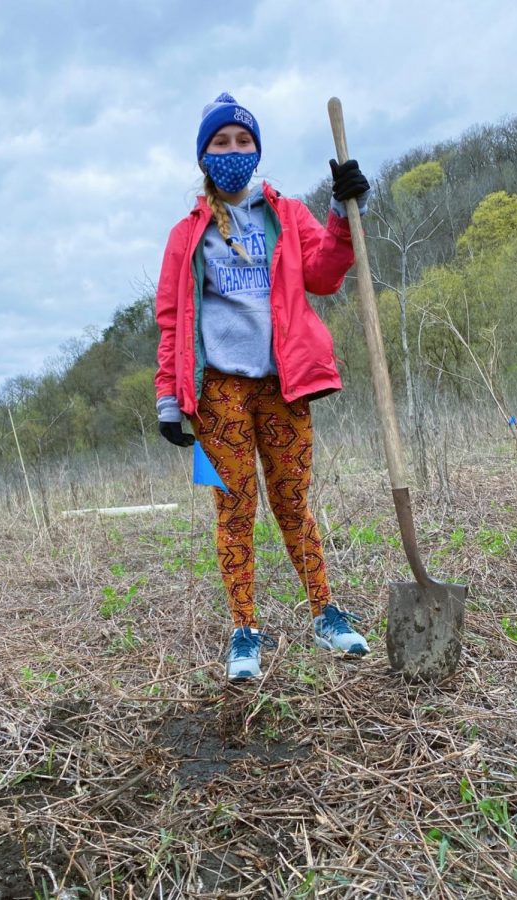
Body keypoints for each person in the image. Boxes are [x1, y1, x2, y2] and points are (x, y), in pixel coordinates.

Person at [155, 92, 372, 681]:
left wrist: (342, 214)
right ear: (204, 155)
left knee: (293, 503)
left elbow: (324, 274)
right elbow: (173, 320)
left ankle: (326, 613)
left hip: (284, 383)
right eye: (220, 142)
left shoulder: (287, 214)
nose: (233, 150)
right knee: (233, 509)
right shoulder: (186, 234)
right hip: (216, 395)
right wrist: (168, 399)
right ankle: (244, 630)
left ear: (257, 149)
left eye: (242, 140)